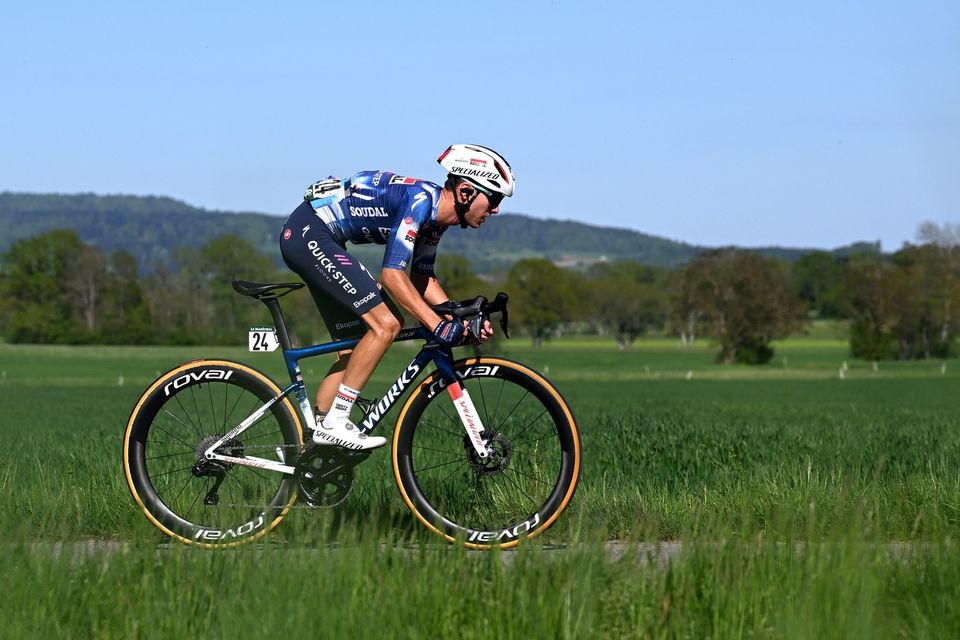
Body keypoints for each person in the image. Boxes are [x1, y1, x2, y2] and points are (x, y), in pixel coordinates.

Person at [279, 144, 515, 450]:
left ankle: (311, 452)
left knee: (354, 353)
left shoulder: (436, 219)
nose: (495, 209)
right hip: (308, 232)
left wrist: (456, 318)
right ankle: (336, 421)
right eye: (493, 199)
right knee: (387, 324)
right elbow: (391, 276)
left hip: (317, 236)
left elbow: (420, 278)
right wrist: (436, 323)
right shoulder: (420, 203)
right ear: (467, 192)